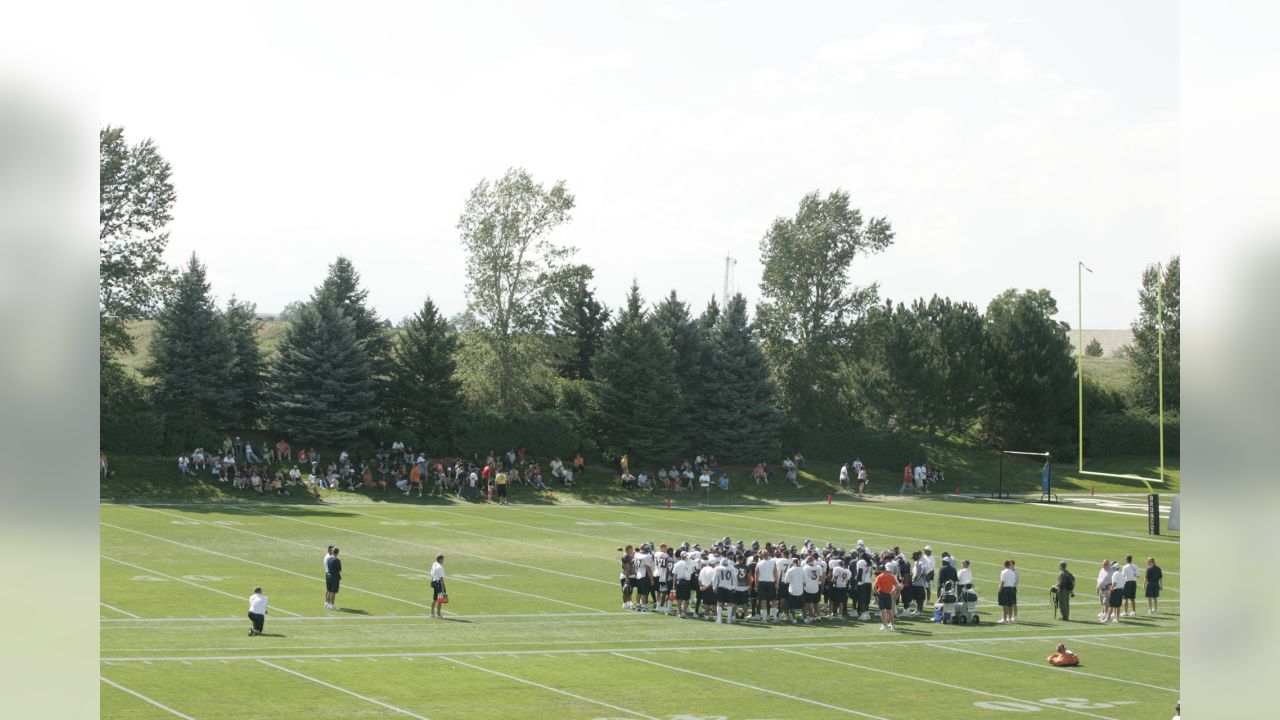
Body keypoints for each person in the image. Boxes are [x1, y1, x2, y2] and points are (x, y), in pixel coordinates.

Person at [874, 564, 899, 631]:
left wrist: (875, 594)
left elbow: (875, 586)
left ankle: (884, 625)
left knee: (882, 611)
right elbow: (896, 585)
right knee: (890, 610)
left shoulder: (879, 577)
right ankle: (893, 625)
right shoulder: (891, 576)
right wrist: (892, 591)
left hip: (881, 594)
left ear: (880, 570)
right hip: (888, 594)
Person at [997, 560, 1018, 624]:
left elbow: (1002, 581)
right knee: (1010, 604)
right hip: (1011, 589)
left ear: (1005, 565)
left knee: (1005, 604)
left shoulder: (1003, 572)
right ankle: (1010, 618)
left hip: (1005, 589)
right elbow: (1014, 581)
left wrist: (1000, 589)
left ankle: (1005, 619)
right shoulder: (1013, 572)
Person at [324, 546, 342, 611]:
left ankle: (328, 604)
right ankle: (332, 605)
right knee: (333, 592)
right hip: (334, 577)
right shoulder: (337, 560)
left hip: (328, 576)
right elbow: (339, 569)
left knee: (329, 590)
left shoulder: (329, 559)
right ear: (337, 553)